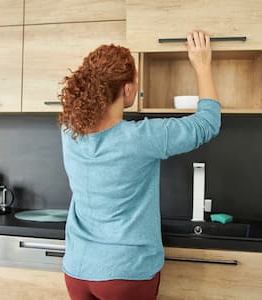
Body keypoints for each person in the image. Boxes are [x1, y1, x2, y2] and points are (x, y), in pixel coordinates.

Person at [58, 30, 221, 300]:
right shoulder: (142, 138)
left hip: (77, 269)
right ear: (128, 89)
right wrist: (202, 65)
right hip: (125, 272)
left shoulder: (68, 131)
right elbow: (207, 123)